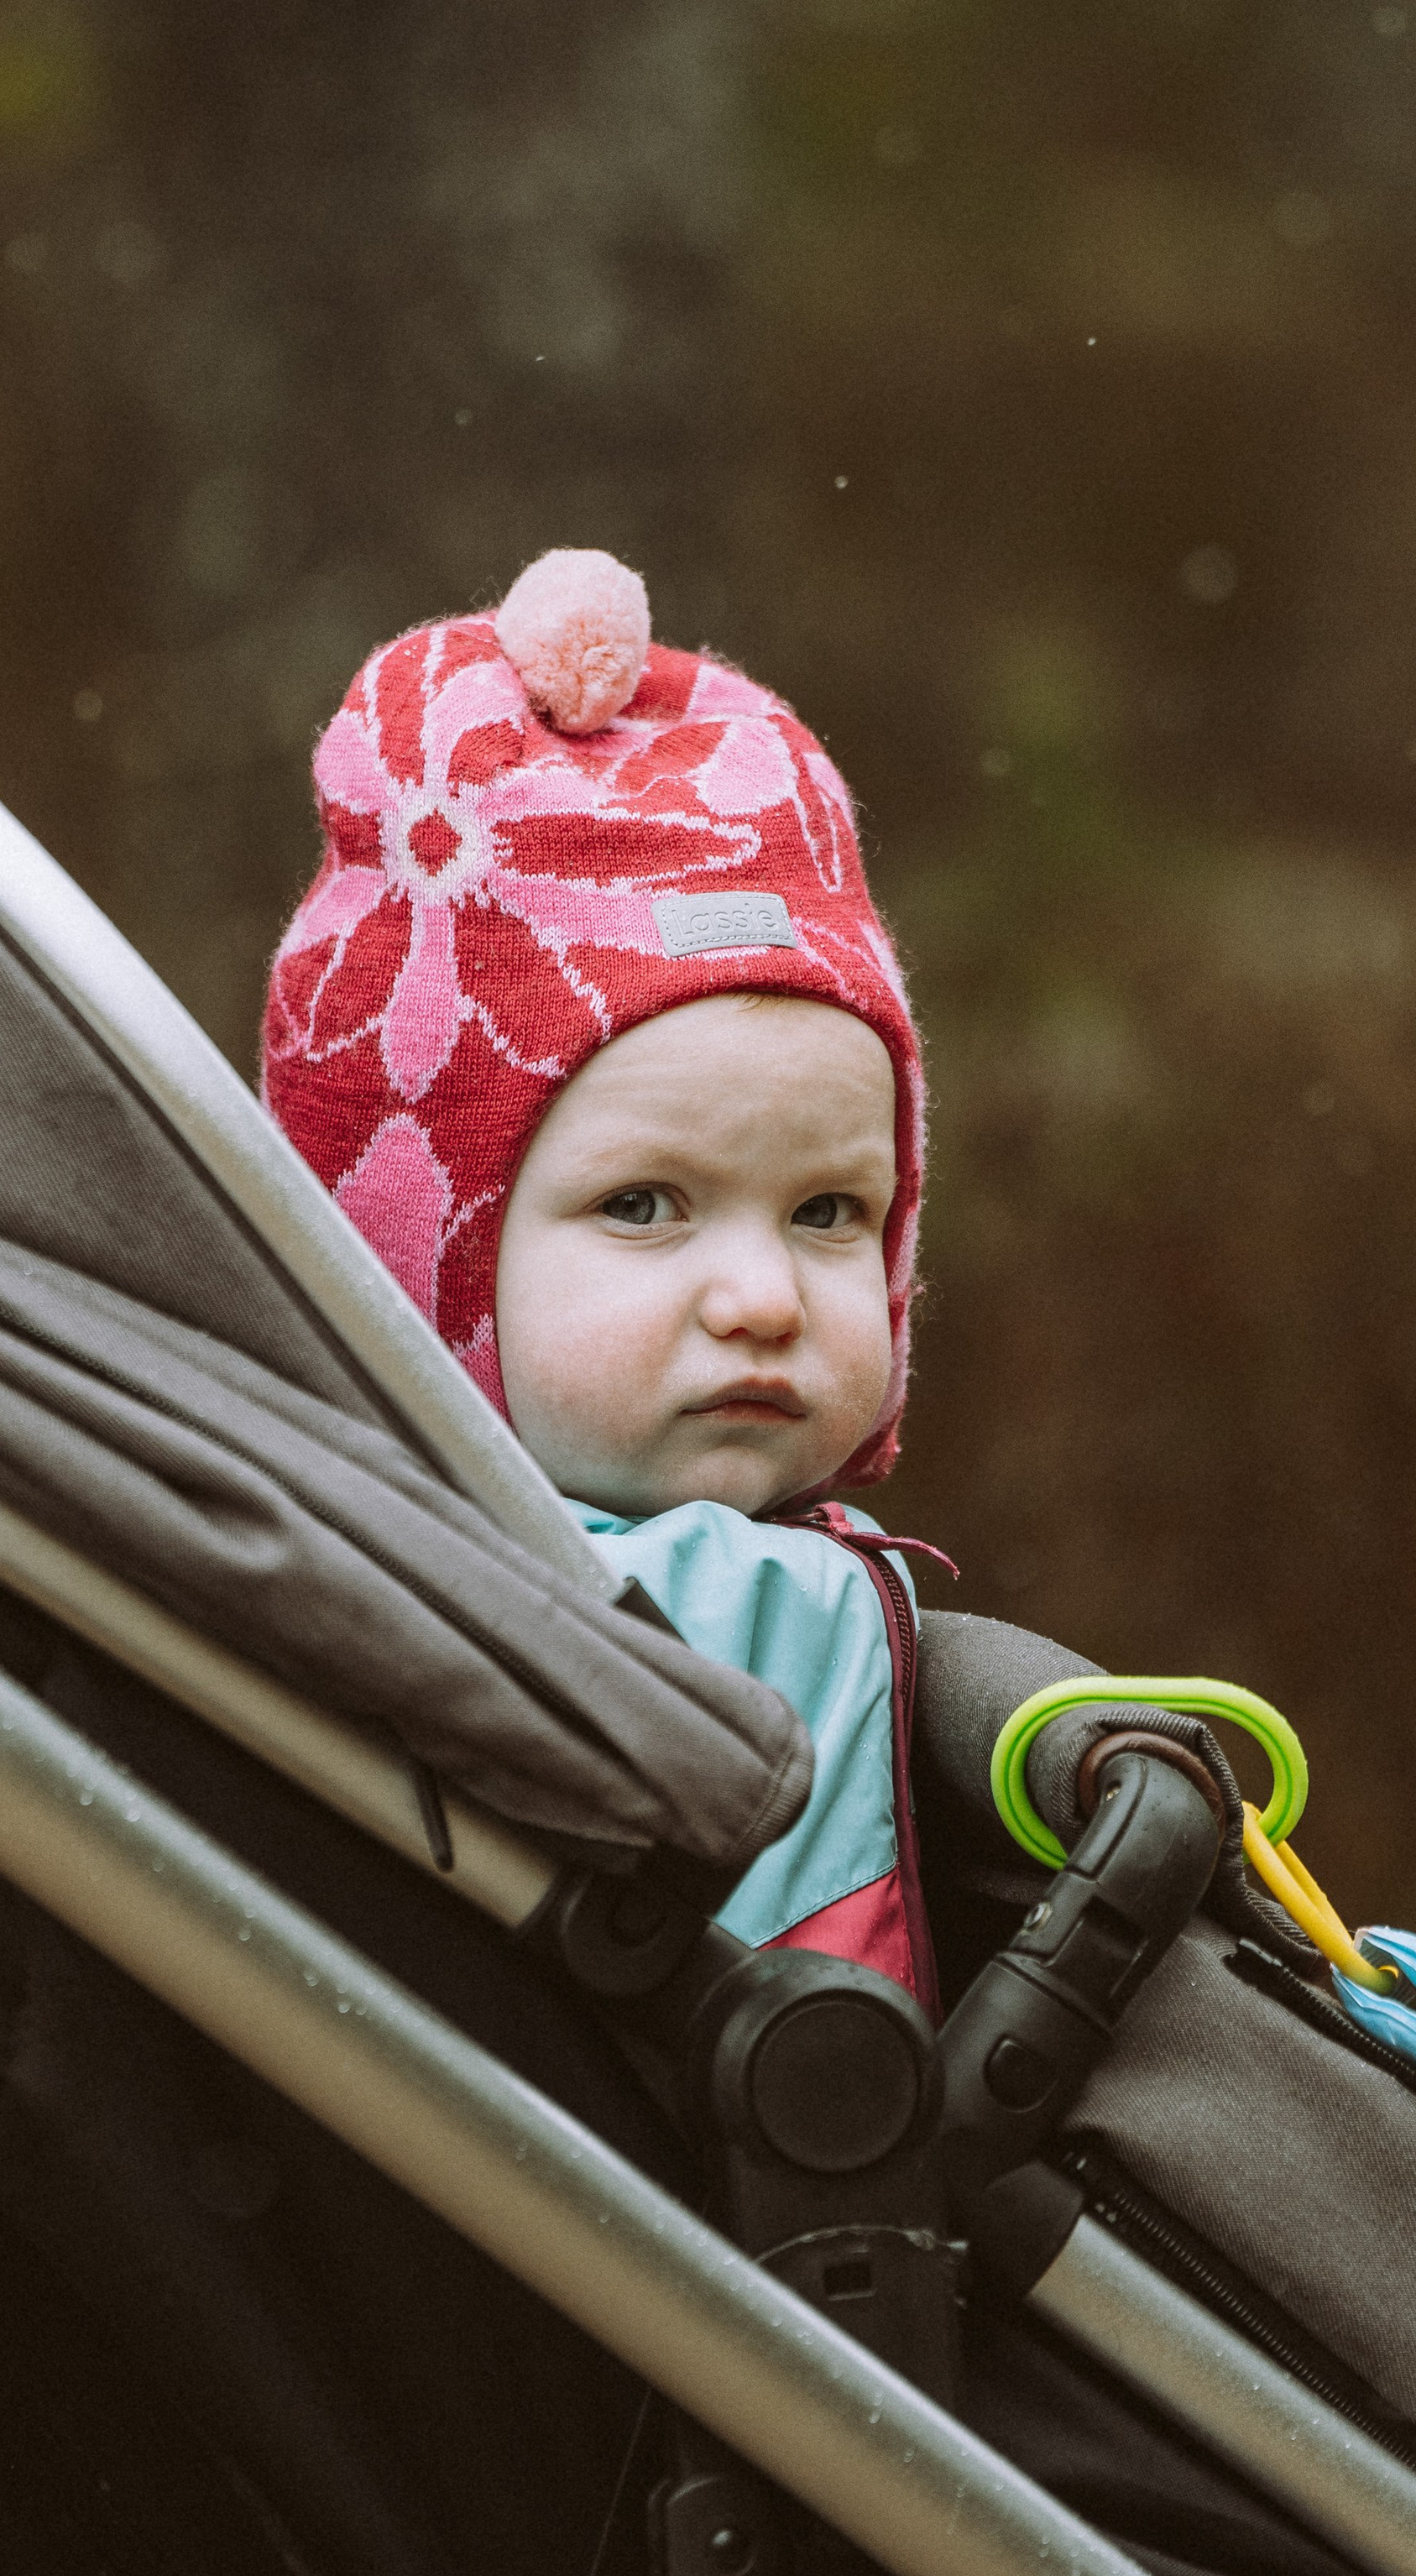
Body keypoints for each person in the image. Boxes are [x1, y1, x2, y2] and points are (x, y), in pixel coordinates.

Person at [262, 541, 941, 2003]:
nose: (762, 1296)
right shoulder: (523, 1650)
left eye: (830, 1211)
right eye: (645, 1204)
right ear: (408, 1265)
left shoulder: (787, 1582)